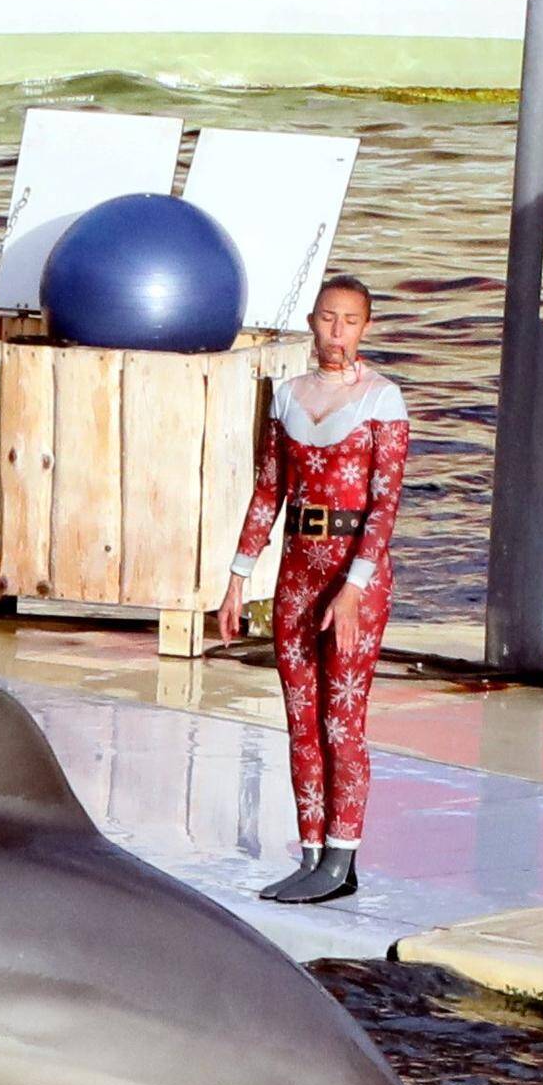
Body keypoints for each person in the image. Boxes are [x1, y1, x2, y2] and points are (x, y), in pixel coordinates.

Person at [215, 275, 407, 905]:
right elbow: (269, 490)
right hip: (297, 572)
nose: (336, 333)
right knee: (301, 719)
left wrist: (352, 589)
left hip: (357, 576)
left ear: (365, 327)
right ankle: (311, 851)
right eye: (327, 319)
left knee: (342, 721)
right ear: (311, 320)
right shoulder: (289, 397)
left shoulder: (383, 400)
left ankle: (344, 859)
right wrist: (237, 580)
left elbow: (384, 506)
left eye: (349, 321)